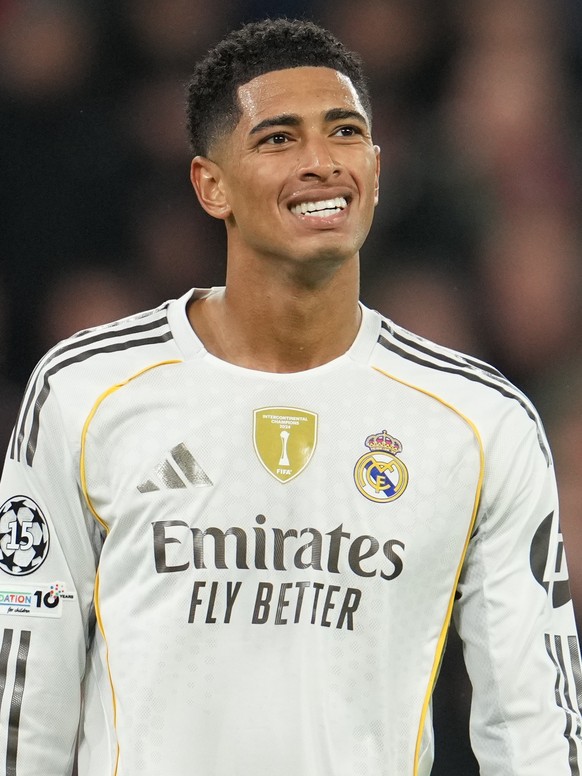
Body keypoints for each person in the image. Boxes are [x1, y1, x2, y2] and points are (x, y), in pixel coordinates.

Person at [0, 18, 580, 776]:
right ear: (211, 185)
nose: (321, 162)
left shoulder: (477, 423)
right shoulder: (85, 394)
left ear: (375, 167)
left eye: (344, 134)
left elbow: (535, 729)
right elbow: (25, 708)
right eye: (278, 138)